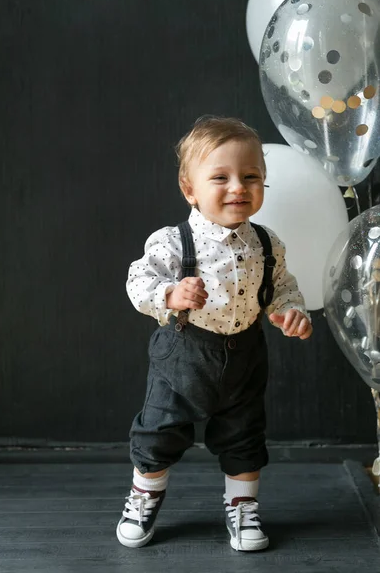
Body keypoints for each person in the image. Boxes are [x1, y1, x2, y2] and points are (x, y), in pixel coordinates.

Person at [116, 116, 312, 551]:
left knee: (244, 434)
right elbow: (138, 280)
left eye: (251, 177)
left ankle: (243, 510)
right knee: (159, 431)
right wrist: (170, 293)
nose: (238, 187)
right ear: (191, 190)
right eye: (220, 177)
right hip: (184, 355)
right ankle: (144, 495)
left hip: (245, 356)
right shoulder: (172, 242)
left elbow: (281, 286)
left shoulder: (267, 243)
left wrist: (291, 311)